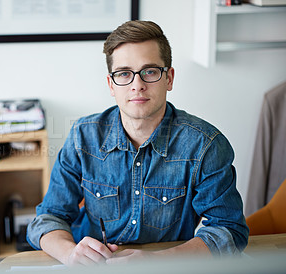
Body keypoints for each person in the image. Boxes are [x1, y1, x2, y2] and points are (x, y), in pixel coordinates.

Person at [27, 20, 249, 266]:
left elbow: (230, 230)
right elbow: (48, 218)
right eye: (124, 73)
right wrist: (71, 254)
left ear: (169, 78)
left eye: (150, 71)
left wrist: (155, 261)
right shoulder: (83, 136)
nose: (137, 85)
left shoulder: (206, 145)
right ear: (111, 84)